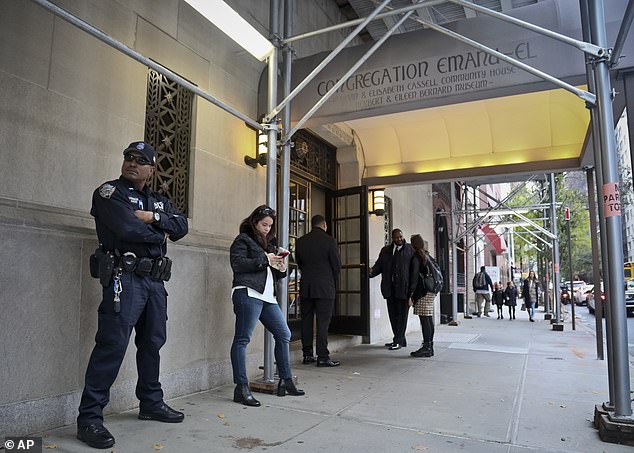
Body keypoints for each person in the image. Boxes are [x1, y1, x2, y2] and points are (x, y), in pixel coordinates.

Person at [77, 142, 189, 449]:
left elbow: (182, 226)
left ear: (151, 170)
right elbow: (127, 229)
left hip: (155, 282)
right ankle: (89, 418)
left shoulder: (158, 202)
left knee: (152, 343)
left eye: (141, 160)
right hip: (123, 278)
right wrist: (158, 233)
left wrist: (152, 218)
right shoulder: (109, 193)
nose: (132, 163)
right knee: (111, 345)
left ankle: (151, 403)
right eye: (128, 157)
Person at [229, 205, 305, 407]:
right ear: (254, 222)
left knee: (284, 334)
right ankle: (241, 387)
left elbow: (276, 274)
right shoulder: (242, 240)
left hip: (267, 297)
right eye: (264, 224)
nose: (267, 229)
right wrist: (264, 259)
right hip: (248, 292)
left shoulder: (270, 244)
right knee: (242, 339)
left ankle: (286, 381)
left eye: (270, 226)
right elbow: (237, 264)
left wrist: (281, 267)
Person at [295, 215, 342, 367]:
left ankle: (307, 354)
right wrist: (329, 278)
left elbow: (299, 263)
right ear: (324, 225)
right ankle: (322, 356)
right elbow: (336, 266)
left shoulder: (301, 241)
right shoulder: (330, 241)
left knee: (306, 320)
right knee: (323, 322)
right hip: (325, 287)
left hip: (307, 285)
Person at [369, 229, 417, 350]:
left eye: (400, 237)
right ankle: (399, 338)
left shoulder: (410, 250)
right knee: (393, 316)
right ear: (392, 238)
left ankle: (398, 340)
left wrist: (412, 292)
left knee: (402, 317)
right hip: (389, 289)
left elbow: (414, 272)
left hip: (404, 290)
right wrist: (370, 272)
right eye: (396, 238)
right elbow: (379, 266)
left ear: (403, 236)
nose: (399, 239)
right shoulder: (385, 251)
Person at [409, 234, 436, 358]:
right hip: (431, 291)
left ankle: (426, 347)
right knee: (428, 319)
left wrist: (411, 295)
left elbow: (414, 278)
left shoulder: (417, 257)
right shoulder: (427, 255)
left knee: (424, 320)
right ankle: (429, 346)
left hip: (423, 292)